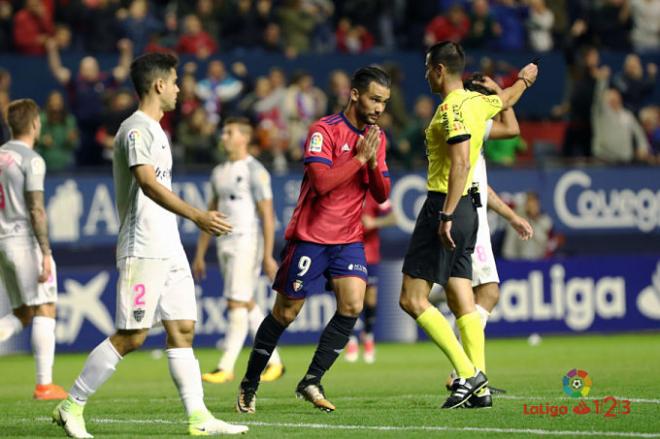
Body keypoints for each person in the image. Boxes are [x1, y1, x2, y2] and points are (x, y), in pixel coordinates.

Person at [51, 52, 248, 438]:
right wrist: (197, 215)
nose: (178, 88)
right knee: (133, 336)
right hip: (142, 245)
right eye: (174, 81)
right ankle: (71, 405)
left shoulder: (159, 131)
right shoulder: (136, 129)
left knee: (183, 329)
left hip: (168, 245)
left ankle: (199, 418)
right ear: (159, 85)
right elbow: (147, 183)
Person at [235, 66, 391, 414]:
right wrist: (359, 158)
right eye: (374, 99)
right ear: (354, 94)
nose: (379, 108)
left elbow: (381, 194)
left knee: (352, 305)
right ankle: (250, 382)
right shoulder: (324, 130)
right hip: (311, 237)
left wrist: (371, 161)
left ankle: (311, 379)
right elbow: (322, 183)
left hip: (349, 238)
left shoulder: (375, 139)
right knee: (285, 313)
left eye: (384, 102)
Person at [398, 41, 537, 409]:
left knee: (412, 299)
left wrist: (444, 213)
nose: (426, 75)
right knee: (462, 295)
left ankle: (469, 374)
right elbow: (506, 98)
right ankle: (482, 385)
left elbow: (460, 164)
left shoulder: (452, 109)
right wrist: (524, 79)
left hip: (445, 204)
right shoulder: (478, 102)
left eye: (429, 68)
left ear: (440, 70)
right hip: (469, 215)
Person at [440, 74, 534, 407]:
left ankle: (469, 374)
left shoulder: (477, 127)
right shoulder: (469, 124)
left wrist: (511, 216)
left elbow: (512, 130)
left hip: (475, 213)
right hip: (470, 219)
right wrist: (502, 90)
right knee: (486, 293)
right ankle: (465, 373)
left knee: (479, 296)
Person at [193, 117, 285, 385]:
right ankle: (275, 361)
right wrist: (200, 253)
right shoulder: (218, 171)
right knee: (245, 302)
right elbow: (207, 215)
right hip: (224, 242)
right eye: (223, 132)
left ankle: (226, 366)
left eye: (229, 132)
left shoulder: (255, 170)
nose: (223, 136)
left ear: (244, 138)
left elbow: (267, 214)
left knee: (235, 302)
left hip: (247, 240)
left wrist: (268, 255)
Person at [0, 98, 67, 401]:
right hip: (24, 241)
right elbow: (37, 209)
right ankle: (44, 385)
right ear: (35, 124)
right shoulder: (32, 159)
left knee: (23, 313)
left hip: (2, 242)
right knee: (45, 307)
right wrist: (47, 253)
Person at [344, 193, 397, 364]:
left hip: (371, 255)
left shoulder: (376, 194)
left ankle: (368, 336)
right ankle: (351, 340)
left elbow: (393, 218)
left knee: (370, 299)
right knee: (350, 299)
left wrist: (375, 222)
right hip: (349, 252)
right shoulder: (346, 192)